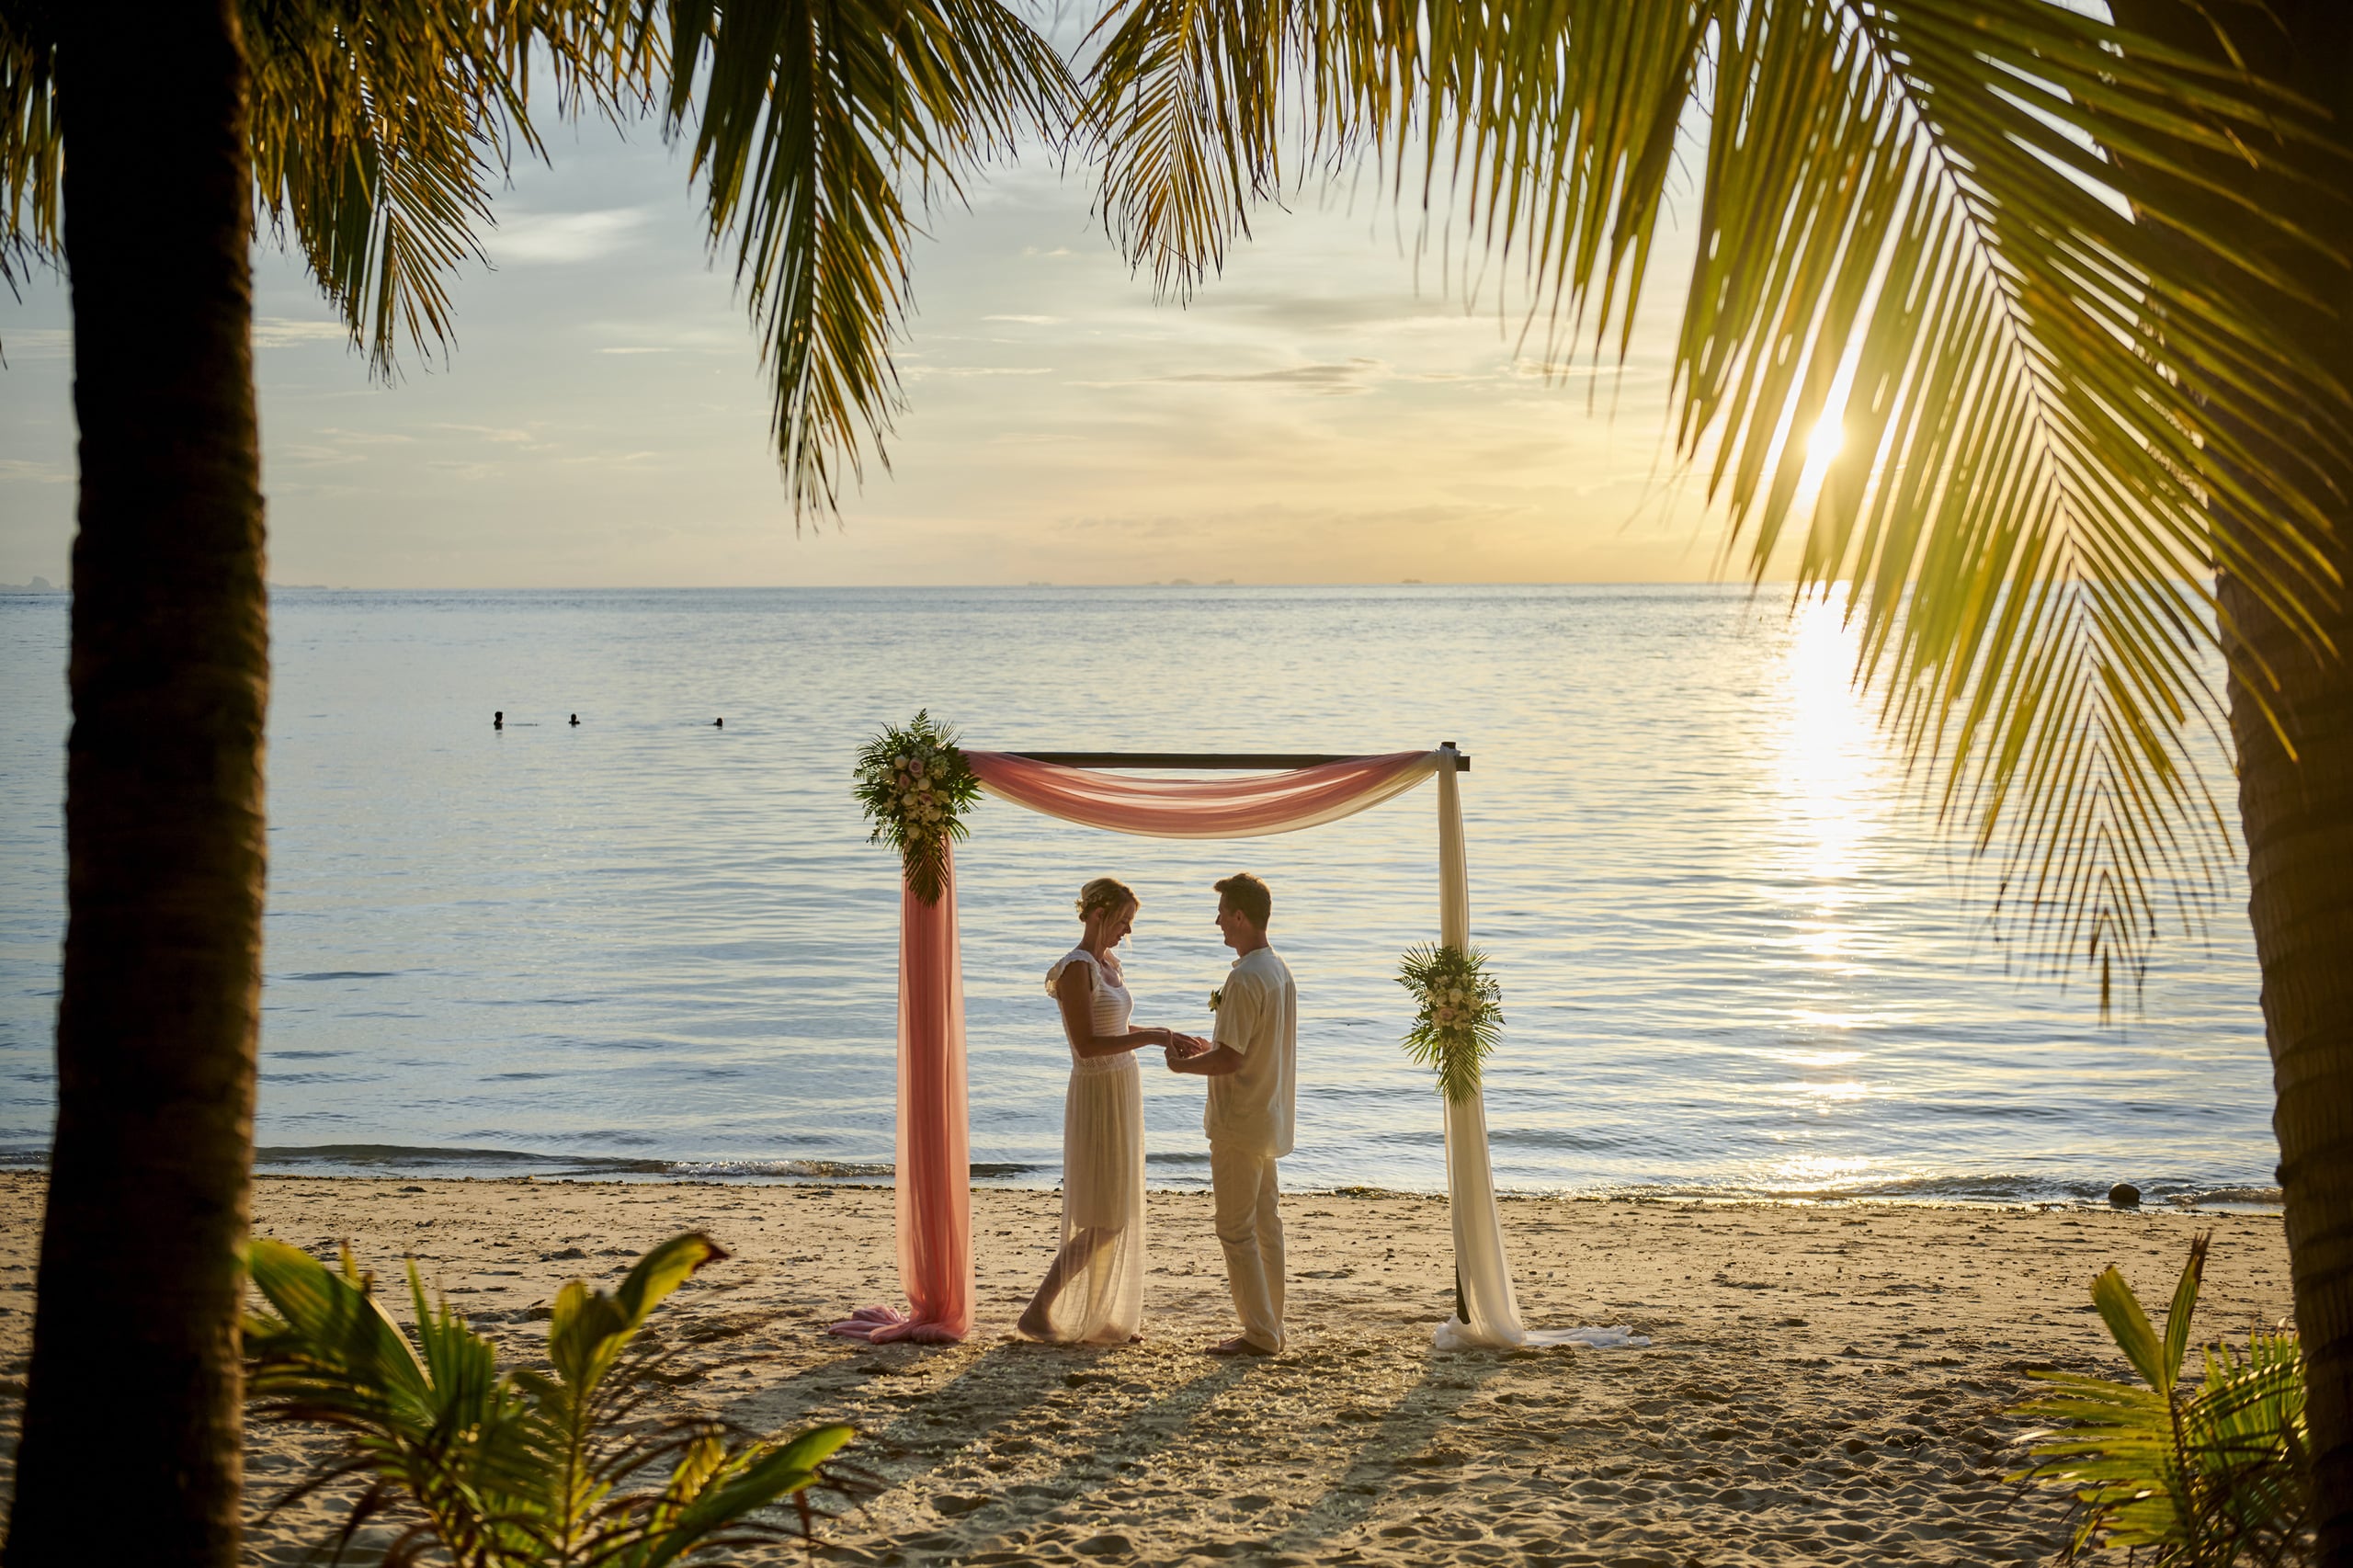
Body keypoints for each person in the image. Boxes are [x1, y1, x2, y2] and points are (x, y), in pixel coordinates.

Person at [1018, 878, 1207, 1345]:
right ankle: (1039, 1311)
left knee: (1114, 1211)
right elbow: (1085, 1045)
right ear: (1098, 915)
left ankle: (1096, 1313)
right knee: (1103, 1215)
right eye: (1123, 922)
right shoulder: (1075, 969)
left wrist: (1167, 1034)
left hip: (1122, 1084)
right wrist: (1151, 1037)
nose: (1127, 932)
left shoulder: (1106, 964)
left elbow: (1114, 1025)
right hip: (1097, 1090)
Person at [1165, 872, 1296, 1357]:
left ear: (1241, 917)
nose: (1217, 921)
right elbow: (1241, 1046)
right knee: (1266, 1226)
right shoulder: (1276, 968)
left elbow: (1231, 1060)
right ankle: (1271, 1327)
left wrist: (1182, 1066)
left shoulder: (1244, 977)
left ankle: (1260, 1334)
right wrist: (1212, 1047)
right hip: (1269, 1113)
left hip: (1241, 1118)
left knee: (1236, 1230)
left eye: (1222, 912)